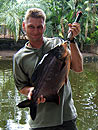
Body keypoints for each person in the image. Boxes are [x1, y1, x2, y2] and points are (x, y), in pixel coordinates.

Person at [13, 8, 83, 130]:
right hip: (41, 122)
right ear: (24, 26)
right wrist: (31, 91)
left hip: (67, 117)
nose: (35, 31)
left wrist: (72, 40)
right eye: (31, 27)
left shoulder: (57, 44)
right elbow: (21, 87)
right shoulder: (19, 58)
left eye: (39, 27)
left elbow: (78, 68)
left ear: (44, 27)